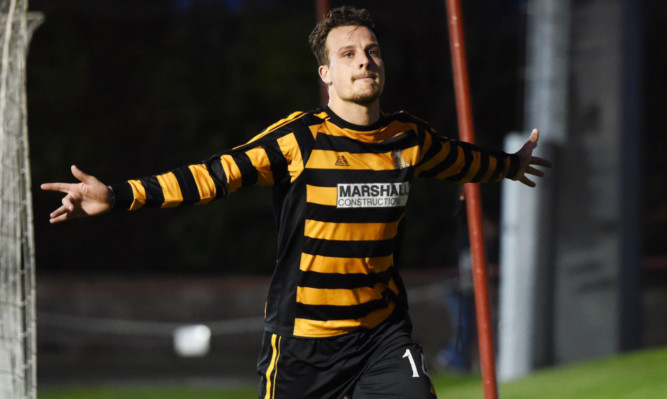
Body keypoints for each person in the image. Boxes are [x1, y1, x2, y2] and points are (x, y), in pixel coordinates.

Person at [41, 6, 550, 399]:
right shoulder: (297, 140)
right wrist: (120, 195)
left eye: (371, 51)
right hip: (304, 343)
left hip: (381, 335)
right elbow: (210, 178)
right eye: (348, 55)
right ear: (326, 74)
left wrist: (510, 164)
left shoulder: (407, 138)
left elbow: (461, 160)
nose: (364, 61)